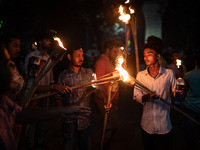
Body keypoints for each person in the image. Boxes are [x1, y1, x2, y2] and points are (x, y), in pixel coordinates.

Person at [0, 43, 91, 150]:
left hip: (84, 121)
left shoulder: (4, 102)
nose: (12, 68)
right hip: (67, 120)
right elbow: (24, 90)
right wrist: (55, 92)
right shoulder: (63, 75)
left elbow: (20, 113)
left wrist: (61, 111)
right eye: (7, 63)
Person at [133, 37, 176, 150]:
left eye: (149, 54)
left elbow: (175, 94)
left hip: (164, 125)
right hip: (147, 125)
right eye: (144, 54)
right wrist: (146, 97)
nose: (146, 57)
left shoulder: (169, 74)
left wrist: (180, 92)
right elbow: (136, 96)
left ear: (158, 56)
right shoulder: (140, 75)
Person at [56, 43, 94, 150]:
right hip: (69, 120)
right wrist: (61, 112)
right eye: (77, 55)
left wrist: (103, 99)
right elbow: (58, 97)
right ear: (69, 57)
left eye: (82, 55)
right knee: (69, 146)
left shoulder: (88, 74)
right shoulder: (63, 76)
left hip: (85, 119)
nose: (81, 58)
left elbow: (97, 91)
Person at [93, 38, 122, 150]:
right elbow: (99, 83)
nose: (116, 54)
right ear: (107, 50)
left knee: (111, 128)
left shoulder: (108, 62)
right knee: (109, 128)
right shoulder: (101, 62)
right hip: (104, 101)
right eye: (115, 51)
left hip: (111, 100)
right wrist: (107, 100)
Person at [183, 55, 200, 150]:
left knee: (190, 135)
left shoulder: (188, 75)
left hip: (191, 108)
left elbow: (183, 90)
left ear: (196, 61)